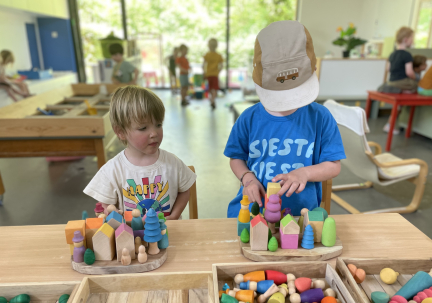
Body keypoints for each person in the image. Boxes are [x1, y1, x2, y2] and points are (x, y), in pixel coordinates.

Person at [224, 21, 345, 218]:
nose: (287, 103)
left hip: (301, 214)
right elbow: (236, 157)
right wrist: (248, 179)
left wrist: (305, 173)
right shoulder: (249, 118)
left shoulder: (320, 118)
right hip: (252, 212)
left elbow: (333, 165)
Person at [84, 86, 196, 219]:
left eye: (158, 125)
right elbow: (104, 207)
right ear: (120, 132)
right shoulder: (112, 170)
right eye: (143, 128)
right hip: (130, 237)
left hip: (170, 233)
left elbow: (184, 191)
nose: (154, 133)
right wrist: (110, 213)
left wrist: (174, 216)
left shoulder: (173, 163)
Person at [383, 27, 417, 134]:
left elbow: (388, 69)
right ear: (406, 39)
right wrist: (415, 78)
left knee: (398, 106)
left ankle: (389, 125)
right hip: (402, 82)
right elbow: (409, 72)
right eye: (412, 38)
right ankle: (406, 92)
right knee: (417, 85)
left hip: (391, 82)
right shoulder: (407, 55)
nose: (413, 41)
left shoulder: (392, 54)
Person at [203, 38, 223, 109]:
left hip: (208, 74)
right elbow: (221, 66)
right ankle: (212, 100)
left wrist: (204, 72)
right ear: (216, 46)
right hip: (215, 75)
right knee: (215, 89)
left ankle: (212, 100)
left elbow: (204, 65)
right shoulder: (218, 55)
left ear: (209, 46)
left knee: (210, 89)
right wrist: (218, 71)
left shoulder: (207, 55)